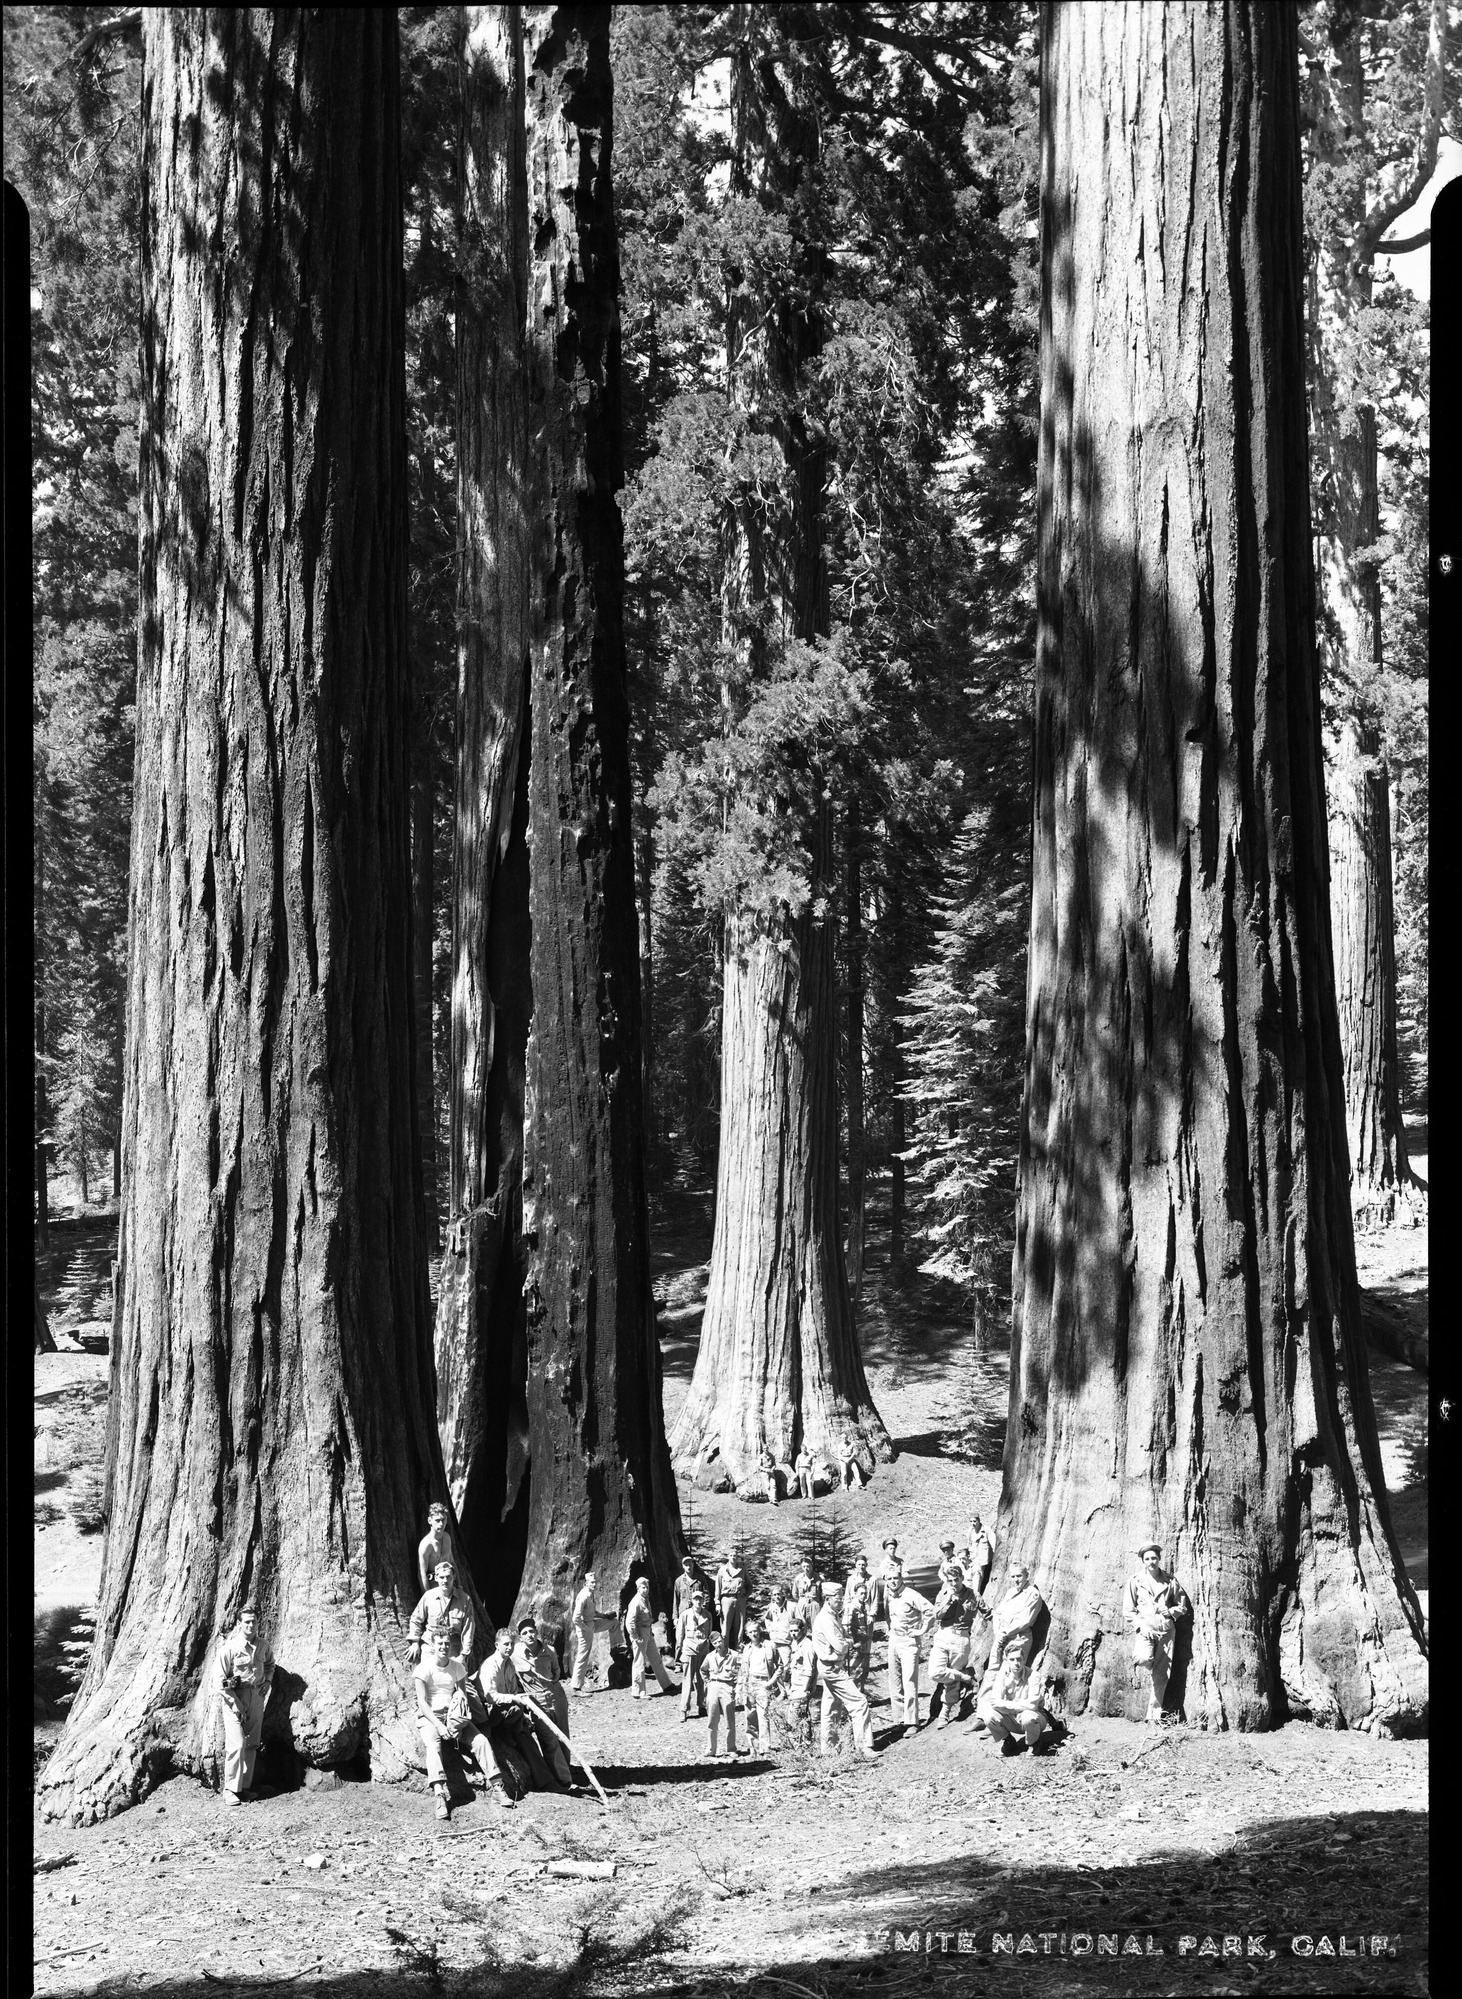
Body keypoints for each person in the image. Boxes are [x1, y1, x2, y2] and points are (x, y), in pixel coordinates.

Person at [414, 1625, 509, 1818]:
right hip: (431, 1717)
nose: (444, 1647)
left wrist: (457, 1723)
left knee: (481, 1741)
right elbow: (422, 1703)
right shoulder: (423, 1669)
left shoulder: (457, 1668)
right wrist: (439, 1726)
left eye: (447, 1643)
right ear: (433, 1645)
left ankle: (497, 1787)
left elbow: (462, 1697)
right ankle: (440, 1795)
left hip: (453, 1715)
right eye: (440, 1643)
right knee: (433, 1746)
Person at [480, 1626, 566, 1791]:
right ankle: (507, 1732)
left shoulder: (510, 1664)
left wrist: (519, 1707)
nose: (509, 1647)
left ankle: (547, 1782)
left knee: (525, 1736)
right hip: (490, 1713)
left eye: (511, 1644)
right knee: (517, 1711)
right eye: (505, 1644)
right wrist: (514, 1699)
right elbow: (490, 1696)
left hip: (508, 1711)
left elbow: (513, 1690)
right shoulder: (490, 1665)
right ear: (497, 1645)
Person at [975, 1561, 1051, 1751]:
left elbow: (1026, 1620)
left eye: (1019, 1576)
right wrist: (999, 1632)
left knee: (1008, 1674)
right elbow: (998, 1613)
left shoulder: (1032, 1594)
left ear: (1026, 1575)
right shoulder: (1010, 1592)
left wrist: (1006, 1632)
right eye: (1013, 1576)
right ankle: (983, 1716)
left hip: (1018, 1638)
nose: (1016, 1579)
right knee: (992, 1673)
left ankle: (1007, 1718)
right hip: (1001, 1637)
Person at [810, 1579, 880, 1759]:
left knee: (831, 1707)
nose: (841, 1601)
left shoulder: (832, 1615)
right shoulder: (826, 1619)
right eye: (838, 1598)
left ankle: (829, 1749)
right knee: (859, 1703)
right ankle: (863, 1747)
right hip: (833, 1668)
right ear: (828, 1598)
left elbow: (843, 1638)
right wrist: (848, 1642)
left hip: (830, 1667)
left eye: (842, 1597)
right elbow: (841, 1646)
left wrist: (845, 1641)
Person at [1124, 1541, 1189, 1723]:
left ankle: (1153, 1717)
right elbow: (1128, 1611)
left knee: (1161, 1676)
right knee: (1143, 1658)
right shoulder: (1135, 1581)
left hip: (1166, 1632)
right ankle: (1151, 1665)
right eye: (1147, 1559)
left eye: (1154, 1558)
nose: (1151, 1562)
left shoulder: (1170, 1580)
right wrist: (1140, 1626)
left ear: (1159, 1559)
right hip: (1145, 1631)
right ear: (1143, 1561)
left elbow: (1182, 1606)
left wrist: (1171, 1611)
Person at [217, 1606, 274, 1806]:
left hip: (256, 1696)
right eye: (247, 1622)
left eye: (254, 1621)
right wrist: (236, 1705)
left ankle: (244, 1788)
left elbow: (270, 1664)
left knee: (252, 1744)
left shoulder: (263, 1645)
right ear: (239, 1624)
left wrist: (267, 1681)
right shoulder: (229, 1649)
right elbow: (220, 1683)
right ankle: (230, 1789)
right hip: (235, 1698)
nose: (251, 1625)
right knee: (237, 1745)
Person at [512, 1617, 574, 1787]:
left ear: (536, 1632)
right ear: (520, 1637)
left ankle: (567, 1770)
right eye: (525, 1633)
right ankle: (563, 1780)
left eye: (531, 1631)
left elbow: (556, 1671)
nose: (529, 1635)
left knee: (563, 1735)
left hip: (556, 1695)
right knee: (548, 1740)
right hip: (537, 1700)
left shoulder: (550, 1650)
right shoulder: (515, 1654)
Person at [885, 1569, 936, 1729]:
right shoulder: (889, 1595)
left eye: (895, 1578)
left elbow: (931, 1611)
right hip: (894, 1639)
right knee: (895, 1681)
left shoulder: (911, 1595)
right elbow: (888, 1615)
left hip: (909, 1641)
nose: (893, 1581)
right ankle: (899, 1720)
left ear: (901, 1578)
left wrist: (921, 1630)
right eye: (889, 1578)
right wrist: (889, 1630)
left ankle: (912, 1722)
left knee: (909, 1682)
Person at [408, 1560, 478, 1670]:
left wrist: (464, 1654)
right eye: (441, 1577)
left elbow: (468, 1629)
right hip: (430, 1645)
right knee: (425, 1675)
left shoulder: (465, 1599)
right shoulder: (428, 1596)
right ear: (436, 1578)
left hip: (452, 1647)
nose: (445, 1581)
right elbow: (416, 1619)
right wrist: (415, 1642)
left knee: (457, 1676)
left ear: (454, 1577)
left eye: (448, 1577)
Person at [624, 1575, 677, 1697]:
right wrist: (636, 1637)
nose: (645, 1589)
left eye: (647, 1587)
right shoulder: (636, 1602)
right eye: (643, 1587)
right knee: (639, 1662)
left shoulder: (645, 1599)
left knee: (656, 1660)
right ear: (638, 1588)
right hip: (640, 1634)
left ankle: (667, 1685)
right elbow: (629, 1623)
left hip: (648, 1633)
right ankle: (639, 1691)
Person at [928, 1598, 977, 1727]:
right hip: (943, 1635)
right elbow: (937, 1614)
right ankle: (966, 1676)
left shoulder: (972, 1594)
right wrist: (948, 1600)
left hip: (960, 1638)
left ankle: (944, 1713)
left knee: (953, 1680)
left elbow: (986, 1611)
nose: (954, 1585)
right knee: (935, 1672)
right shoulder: (945, 1593)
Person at [738, 1617, 783, 1753]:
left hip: (764, 1683)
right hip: (750, 1684)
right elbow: (743, 1670)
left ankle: (765, 1748)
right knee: (750, 1716)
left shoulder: (769, 1646)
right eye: (750, 1632)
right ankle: (754, 1747)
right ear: (747, 1634)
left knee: (763, 1715)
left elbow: (780, 1666)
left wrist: (771, 1682)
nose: (754, 1634)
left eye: (755, 1631)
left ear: (759, 1631)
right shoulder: (747, 1649)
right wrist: (740, 1688)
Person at [704, 1628, 742, 1759]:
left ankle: (731, 1749)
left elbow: (741, 1670)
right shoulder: (710, 1657)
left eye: (720, 1641)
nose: (718, 1645)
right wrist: (708, 1682)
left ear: (723, 1640)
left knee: (729, 1720)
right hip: (713, 1686)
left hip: (727, 1686)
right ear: (712, 1644)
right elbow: (703, 1670)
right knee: (712, 1720)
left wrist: (737, 1684)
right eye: (715, 1643)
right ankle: (711, 1749)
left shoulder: (734, 1655)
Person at [679, 1584, 714, 1721]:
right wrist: (680, 1652)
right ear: (691, 1601)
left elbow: (709, 1634)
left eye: (700, 1599)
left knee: (702, 1679)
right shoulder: (685, 1615)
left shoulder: (708, 1615)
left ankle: (702, 1705)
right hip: (689, 1650)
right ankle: (684, 1709)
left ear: (703, 1600)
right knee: (687, 1681)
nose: (698, 1602)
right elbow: (680, 1635)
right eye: (695, 1599)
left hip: (703, 1650)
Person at [784, 1614, 819, 1748]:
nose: (793, 1633)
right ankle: (803, 1746)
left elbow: (809, 1669)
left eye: (796, 1630)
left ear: (803, 1630)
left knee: (794, 1718)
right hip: (795, 1686)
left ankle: (802, 1745)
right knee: (801, 1717)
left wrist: (804, 1690)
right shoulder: (794, 1643)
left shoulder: (808, 1646)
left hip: (802, 1687)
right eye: (791, 1631)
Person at [418, 1502, 465, 1596]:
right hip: (434, 1586)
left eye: (443, 1520)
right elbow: (422, 1574)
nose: (441, 1524)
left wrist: (459, 1586)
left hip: (450, 1583)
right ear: (429, 1521)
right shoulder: (426, 1545)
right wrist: (428, 1597)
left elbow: (452, 1562)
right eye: (437, 1520)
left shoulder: (447, 1538)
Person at [569, 1570, 600, 1692]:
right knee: (583, 1656)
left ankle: (617, 1646)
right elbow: (576, 1618)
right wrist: (586, 1629)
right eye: (592, 1582)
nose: (594, 1584)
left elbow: (592, 1612)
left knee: (613, 1622)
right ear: (586, 1583)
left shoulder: (591, 1594)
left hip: (592, 1623)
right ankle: (576, 1687)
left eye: (595, 1582)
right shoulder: (583, 1596)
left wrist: (604, 1616)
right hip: (584, 1628)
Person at [673, 1553, 710, 1649]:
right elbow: (676, 1600)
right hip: (683, 1613)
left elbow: (706, 1596)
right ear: (683, 1566)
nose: (688, 1567)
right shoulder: (679, 1581)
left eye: (690, 1564)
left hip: (697, 1613)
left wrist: (702, 1609)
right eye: (686, 1565)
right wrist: (675, 1617)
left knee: (697, 1635)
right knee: (680, 1637)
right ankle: (679, 1657)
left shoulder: (700, 1580)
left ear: (693, 1565)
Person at [715, 1548, 749, 1648]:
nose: (733, 1557)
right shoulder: (722, 1570)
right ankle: (724, 1650)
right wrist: (717, 1603)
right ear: (728, 1557)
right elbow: (718, 1588)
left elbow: (750, 1586)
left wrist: (744, 1597)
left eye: (735, 1556)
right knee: (725, 1628)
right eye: (731, 1555)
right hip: (726, 1600)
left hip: (739, 1600)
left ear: (737, 1557)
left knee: (739, 1628)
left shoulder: (742, 1570)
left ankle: (739, 1649)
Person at [844, 1580, 873, 1690]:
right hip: (855, 1645)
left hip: (863, 1643)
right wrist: (852, 1643)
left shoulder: (863, 1606)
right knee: (853, 1670)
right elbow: (846, 1627)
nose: (863, 1595)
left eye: (865, 1593)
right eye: (861, 1593)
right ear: (855, 1593)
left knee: (862, 1670)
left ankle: (861, 1692)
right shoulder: (851, 1607)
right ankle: (853, 1695)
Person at [766, 1586, 797, 1673]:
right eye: (774, 1595)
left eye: (778, 1594)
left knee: (786, 1668)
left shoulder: (792, 1606)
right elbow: (767, 1618)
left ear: (782, 1594)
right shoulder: (772, 1607)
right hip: (774, 1642)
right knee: (774, 1667)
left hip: (786, 1643)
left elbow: (800, 1622)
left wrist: (795, 1637)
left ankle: (787, 1682)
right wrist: (770, 1629)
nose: (777, 1597)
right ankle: (777, 1682)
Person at [874, 1538, 901, 1623]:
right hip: (890, 1589)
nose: (892, 1550)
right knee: (888, 1610)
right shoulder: (884, 1563)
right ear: (886, 1550)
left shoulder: (900, 1561)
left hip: (901, 1589)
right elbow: (885, 1577)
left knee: (902, 1609)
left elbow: (906, 1573)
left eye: (894, 1548)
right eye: (890, 1548)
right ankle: (889, 1628)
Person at [967, 1515, 994, 1597]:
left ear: (979, 1521)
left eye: (974, 1521)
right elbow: (968, 1544)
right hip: (973, 1557)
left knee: (979, 1576)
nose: (973, 1523)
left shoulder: (986, 1530)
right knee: (972, 1576)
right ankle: (973, 1594)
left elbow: (993, 1543)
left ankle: (976, 1594)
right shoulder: (970, 1531)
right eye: (971, 1521)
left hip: (983, 1558)